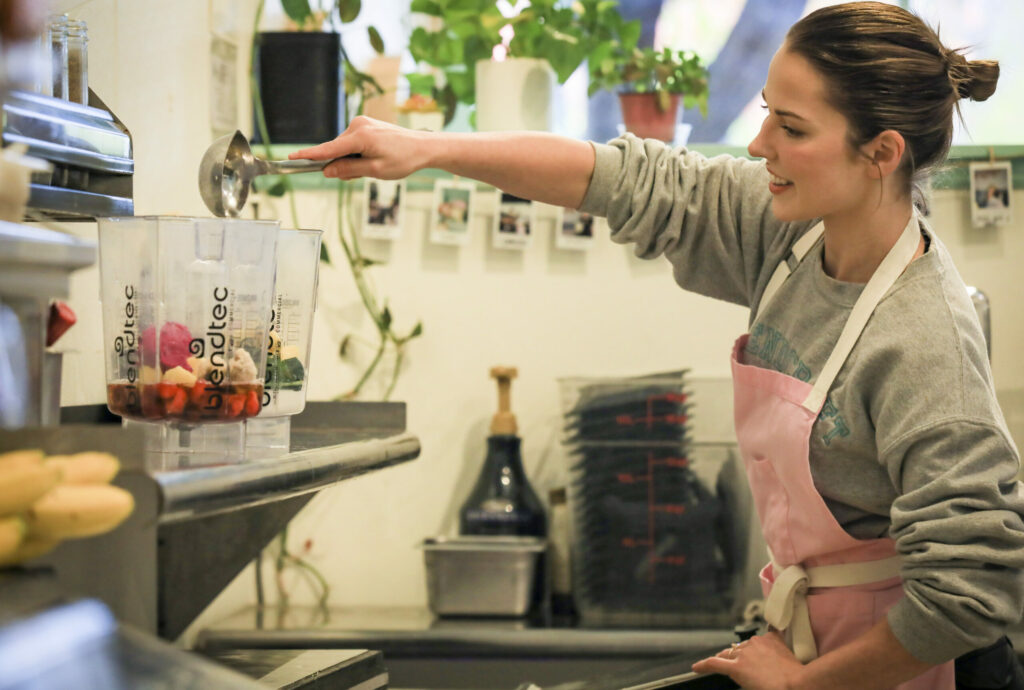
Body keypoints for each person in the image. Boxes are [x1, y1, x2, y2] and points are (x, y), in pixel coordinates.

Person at [291, 3, 1024, 689]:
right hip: (804, 640)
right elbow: (618, 177)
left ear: (881, 153)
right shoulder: (790, 233)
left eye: (792, 130)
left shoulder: (924, 341)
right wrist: (428, 148)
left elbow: (969, 594)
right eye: (767, 112)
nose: (760, 144)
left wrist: (802, 686)